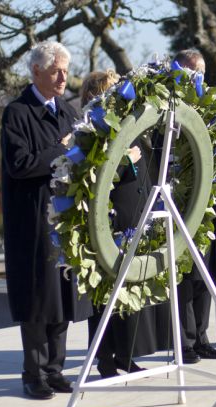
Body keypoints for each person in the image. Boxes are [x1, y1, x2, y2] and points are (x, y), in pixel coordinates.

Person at [1, 40, 93, 399]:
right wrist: (63, 149)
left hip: (66, 216)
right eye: (55, 70)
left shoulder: (68, 112)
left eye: (66, 71)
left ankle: (55, 368)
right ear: (36, 71)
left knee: (62, 296)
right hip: (34, 218)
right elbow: (20, 164)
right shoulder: (17, 113)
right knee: (38, 298)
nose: (62, 77)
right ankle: (34, 373)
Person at [79, 70, 158, 377]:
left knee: (130, 293)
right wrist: (124, 158)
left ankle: (127, 353)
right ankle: (104, 357)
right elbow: (95, 174)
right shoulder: (92, 127)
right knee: (105, 295)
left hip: (135, 215)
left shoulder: (127, 124)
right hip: (111, 220)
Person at [168, 49, 216, 362]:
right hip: (183, 196)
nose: (199, 78)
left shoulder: (209, 103)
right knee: (186, 271)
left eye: (202, 72)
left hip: (209, 194)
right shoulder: (171, 103)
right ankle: (187, 340)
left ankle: (203, 336)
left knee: (207, 271)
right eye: (194, 71)